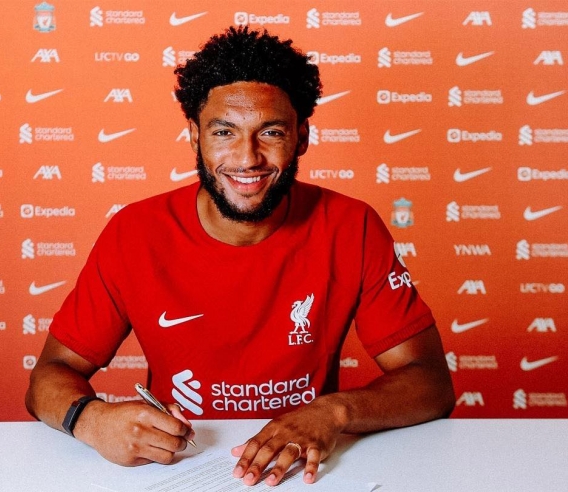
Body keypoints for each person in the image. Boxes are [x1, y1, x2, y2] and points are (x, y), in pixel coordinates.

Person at [25, 26, 455, 487]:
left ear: (301, 137)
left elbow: (430, 383)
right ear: (195, 136)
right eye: (224, 132)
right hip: (181, 466)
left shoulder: (352, 225)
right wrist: (92, 420)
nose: (247, 158)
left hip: (304, 471)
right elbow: (49, 375)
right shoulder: (134, 232)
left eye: (270, 132)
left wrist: (332, 412)